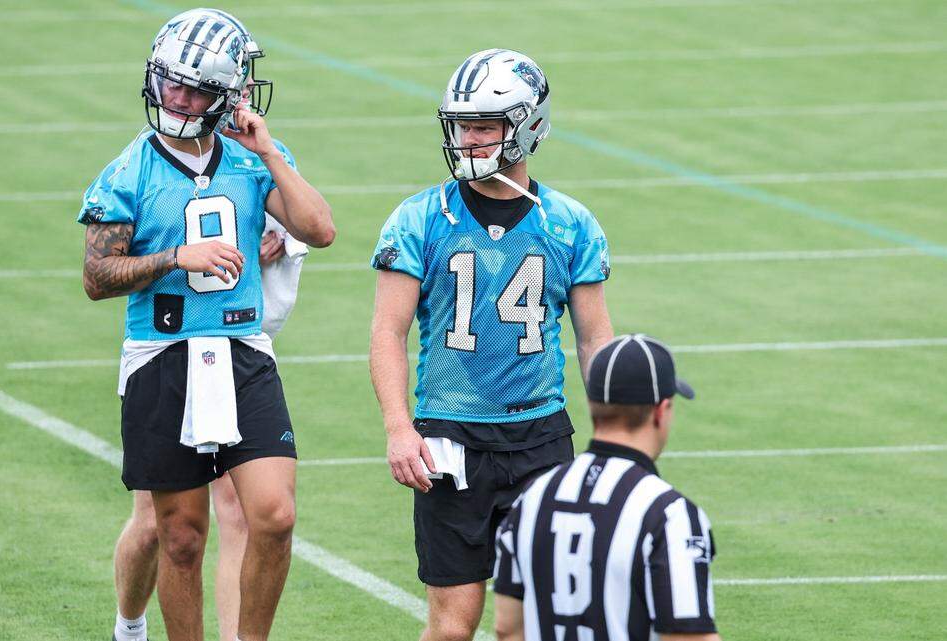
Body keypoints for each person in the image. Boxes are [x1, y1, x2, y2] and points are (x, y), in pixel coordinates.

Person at [79, 10, 333, 641]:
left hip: (244, 350)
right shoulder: (129, 170)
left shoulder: (253, 161)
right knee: (182, 537)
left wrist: (268, 149)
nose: (177, 98)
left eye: (194, 89)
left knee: (273, 516)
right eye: (169, 83)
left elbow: (320, 230)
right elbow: (95, 276)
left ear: (227, 97)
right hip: (163, 353)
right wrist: (173, 258)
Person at [369, 49, 614, 641]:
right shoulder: (419, 218)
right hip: (449, 435)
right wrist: (400, 428)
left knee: (530, 622)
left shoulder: (569, 222)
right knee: (453, 625)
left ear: (527, 127)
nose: (468, 141)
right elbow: (388, 331)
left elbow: (594, 340)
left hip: (539, 436)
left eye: (484, 127)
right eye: (461, 126)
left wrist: (613, 435)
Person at [493, 334, 720, 641]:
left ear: (592, 405)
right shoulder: (669, 515)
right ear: (661, 411)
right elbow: (689, 636)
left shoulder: (533, 498)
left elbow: (507, 628)